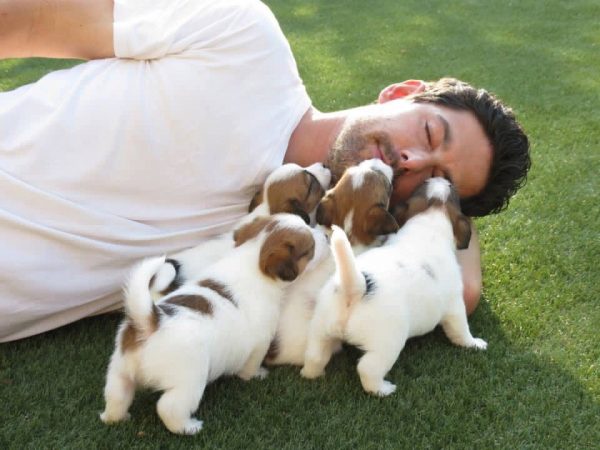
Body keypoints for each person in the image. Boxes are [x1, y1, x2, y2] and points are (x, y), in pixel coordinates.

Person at [0, 0, 530, 342]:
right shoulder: (243, 35)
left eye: (431, 177)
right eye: (430, 133)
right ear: (399, 93)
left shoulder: (300, 252)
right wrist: (441, 190)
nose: (411, 160)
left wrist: (439, 208)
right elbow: (32, 20)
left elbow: (462, 292)